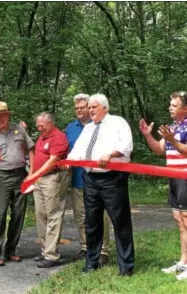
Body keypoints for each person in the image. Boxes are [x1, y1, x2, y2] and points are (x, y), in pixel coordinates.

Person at [67, 93, 134, 276]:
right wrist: (69, 161)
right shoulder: (88, 128)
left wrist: (110, 154)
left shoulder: (118, 123)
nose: (90, 110)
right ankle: (92, 262)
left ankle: (126, 266)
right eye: (89, 107)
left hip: (113, 178)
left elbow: (127, 145)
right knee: (92, 222)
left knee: (120, 221)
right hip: (90, 179)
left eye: (93, 107)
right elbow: (77, 150)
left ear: (104, 107)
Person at [139, 91, 187, 280]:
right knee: (179, 220)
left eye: (174, 105)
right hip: (173, 176)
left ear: (185, 108)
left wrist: (173, 140)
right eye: (170, 105)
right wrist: (148, 135)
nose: (170, 108)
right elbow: (159, 149)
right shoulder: (173, 126)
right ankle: (184, 262)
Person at [0, 101, 35, 266]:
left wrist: (32, 172)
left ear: (7, 114)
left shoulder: (19, 130)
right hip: (1, 177)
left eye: (2, 114)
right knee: (0, 212)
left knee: (18, 213)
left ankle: (11, 250)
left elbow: (31, 149)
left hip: (20, 175)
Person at [65, 93, 110, 265]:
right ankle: (86, 247)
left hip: (98, 179)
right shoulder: (70, 128)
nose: (80, 111)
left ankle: (103, 250)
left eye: (83, 107)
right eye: (76, 108)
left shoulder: (99, 126)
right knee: (80, 215)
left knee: (100, 216)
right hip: (78, 179)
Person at [27, 112, 69, 268]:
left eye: (41, 125)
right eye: (37, 125)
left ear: (50, 123)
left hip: (53, 178)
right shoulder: (42, 137)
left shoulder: (58, 137)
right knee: (41, 214)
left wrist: (36, 174)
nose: (39, 128)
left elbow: (53, 160)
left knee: (53, 215)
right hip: (39, 181)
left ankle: (52, 255)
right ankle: (45, 251)